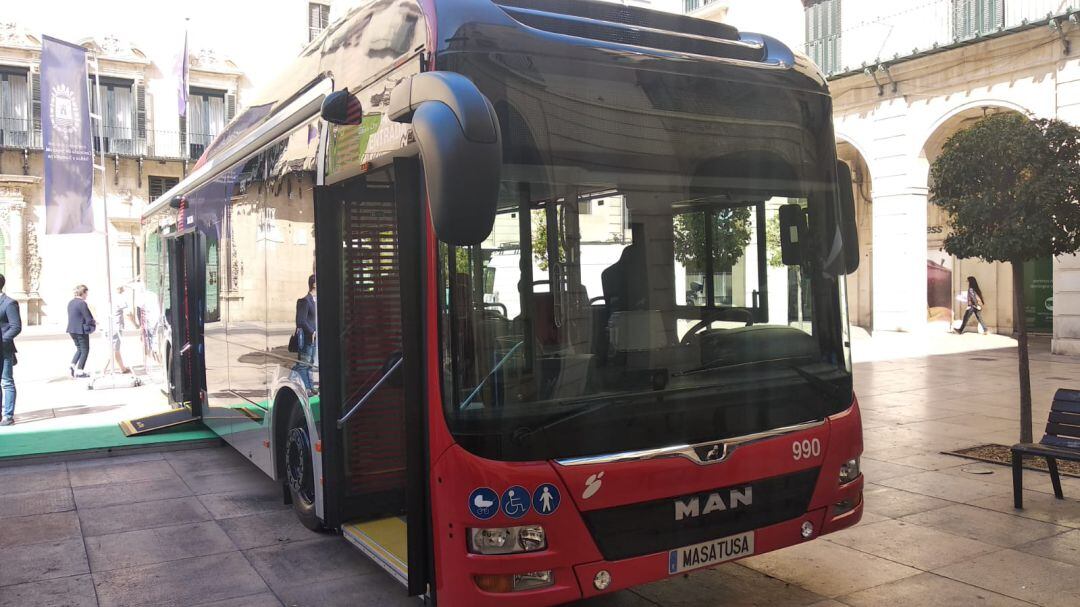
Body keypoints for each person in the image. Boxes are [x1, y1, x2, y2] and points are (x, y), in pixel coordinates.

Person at [0, 274, 22, 426]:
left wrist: (2, 340)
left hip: (4, 348)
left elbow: (16, 326)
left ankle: (8, 415)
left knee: (7, 381)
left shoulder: (9, 303)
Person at [294, 274, 318, 396]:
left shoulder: (315, 301)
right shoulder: (304, 301)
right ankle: (305, 388)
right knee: (303, 364)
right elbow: (300, 320)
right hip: (308, 338)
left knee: (309, 363)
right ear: (314, 284)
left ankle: (311, 387)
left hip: (314, 339)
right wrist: (312, 331)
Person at [67, 285, 95, 378]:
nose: (87, 295)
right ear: (83, 293)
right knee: (85, 350)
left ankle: (72, 365)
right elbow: (88, 317)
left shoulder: (71, 302)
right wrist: (93, 323)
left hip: (72, 329)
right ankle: (80, 371)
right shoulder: (82, 303)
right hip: (80, 330)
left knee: (79, 348)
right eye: (86, 293)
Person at [102, 285, 132, 374]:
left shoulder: (109, 298)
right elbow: (128, 313)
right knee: (114, 349)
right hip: (116, 327)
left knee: (114, 349)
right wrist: (135, 323)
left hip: (107, 326)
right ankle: (103, 369)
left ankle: (122, 368)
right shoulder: (120, 298)